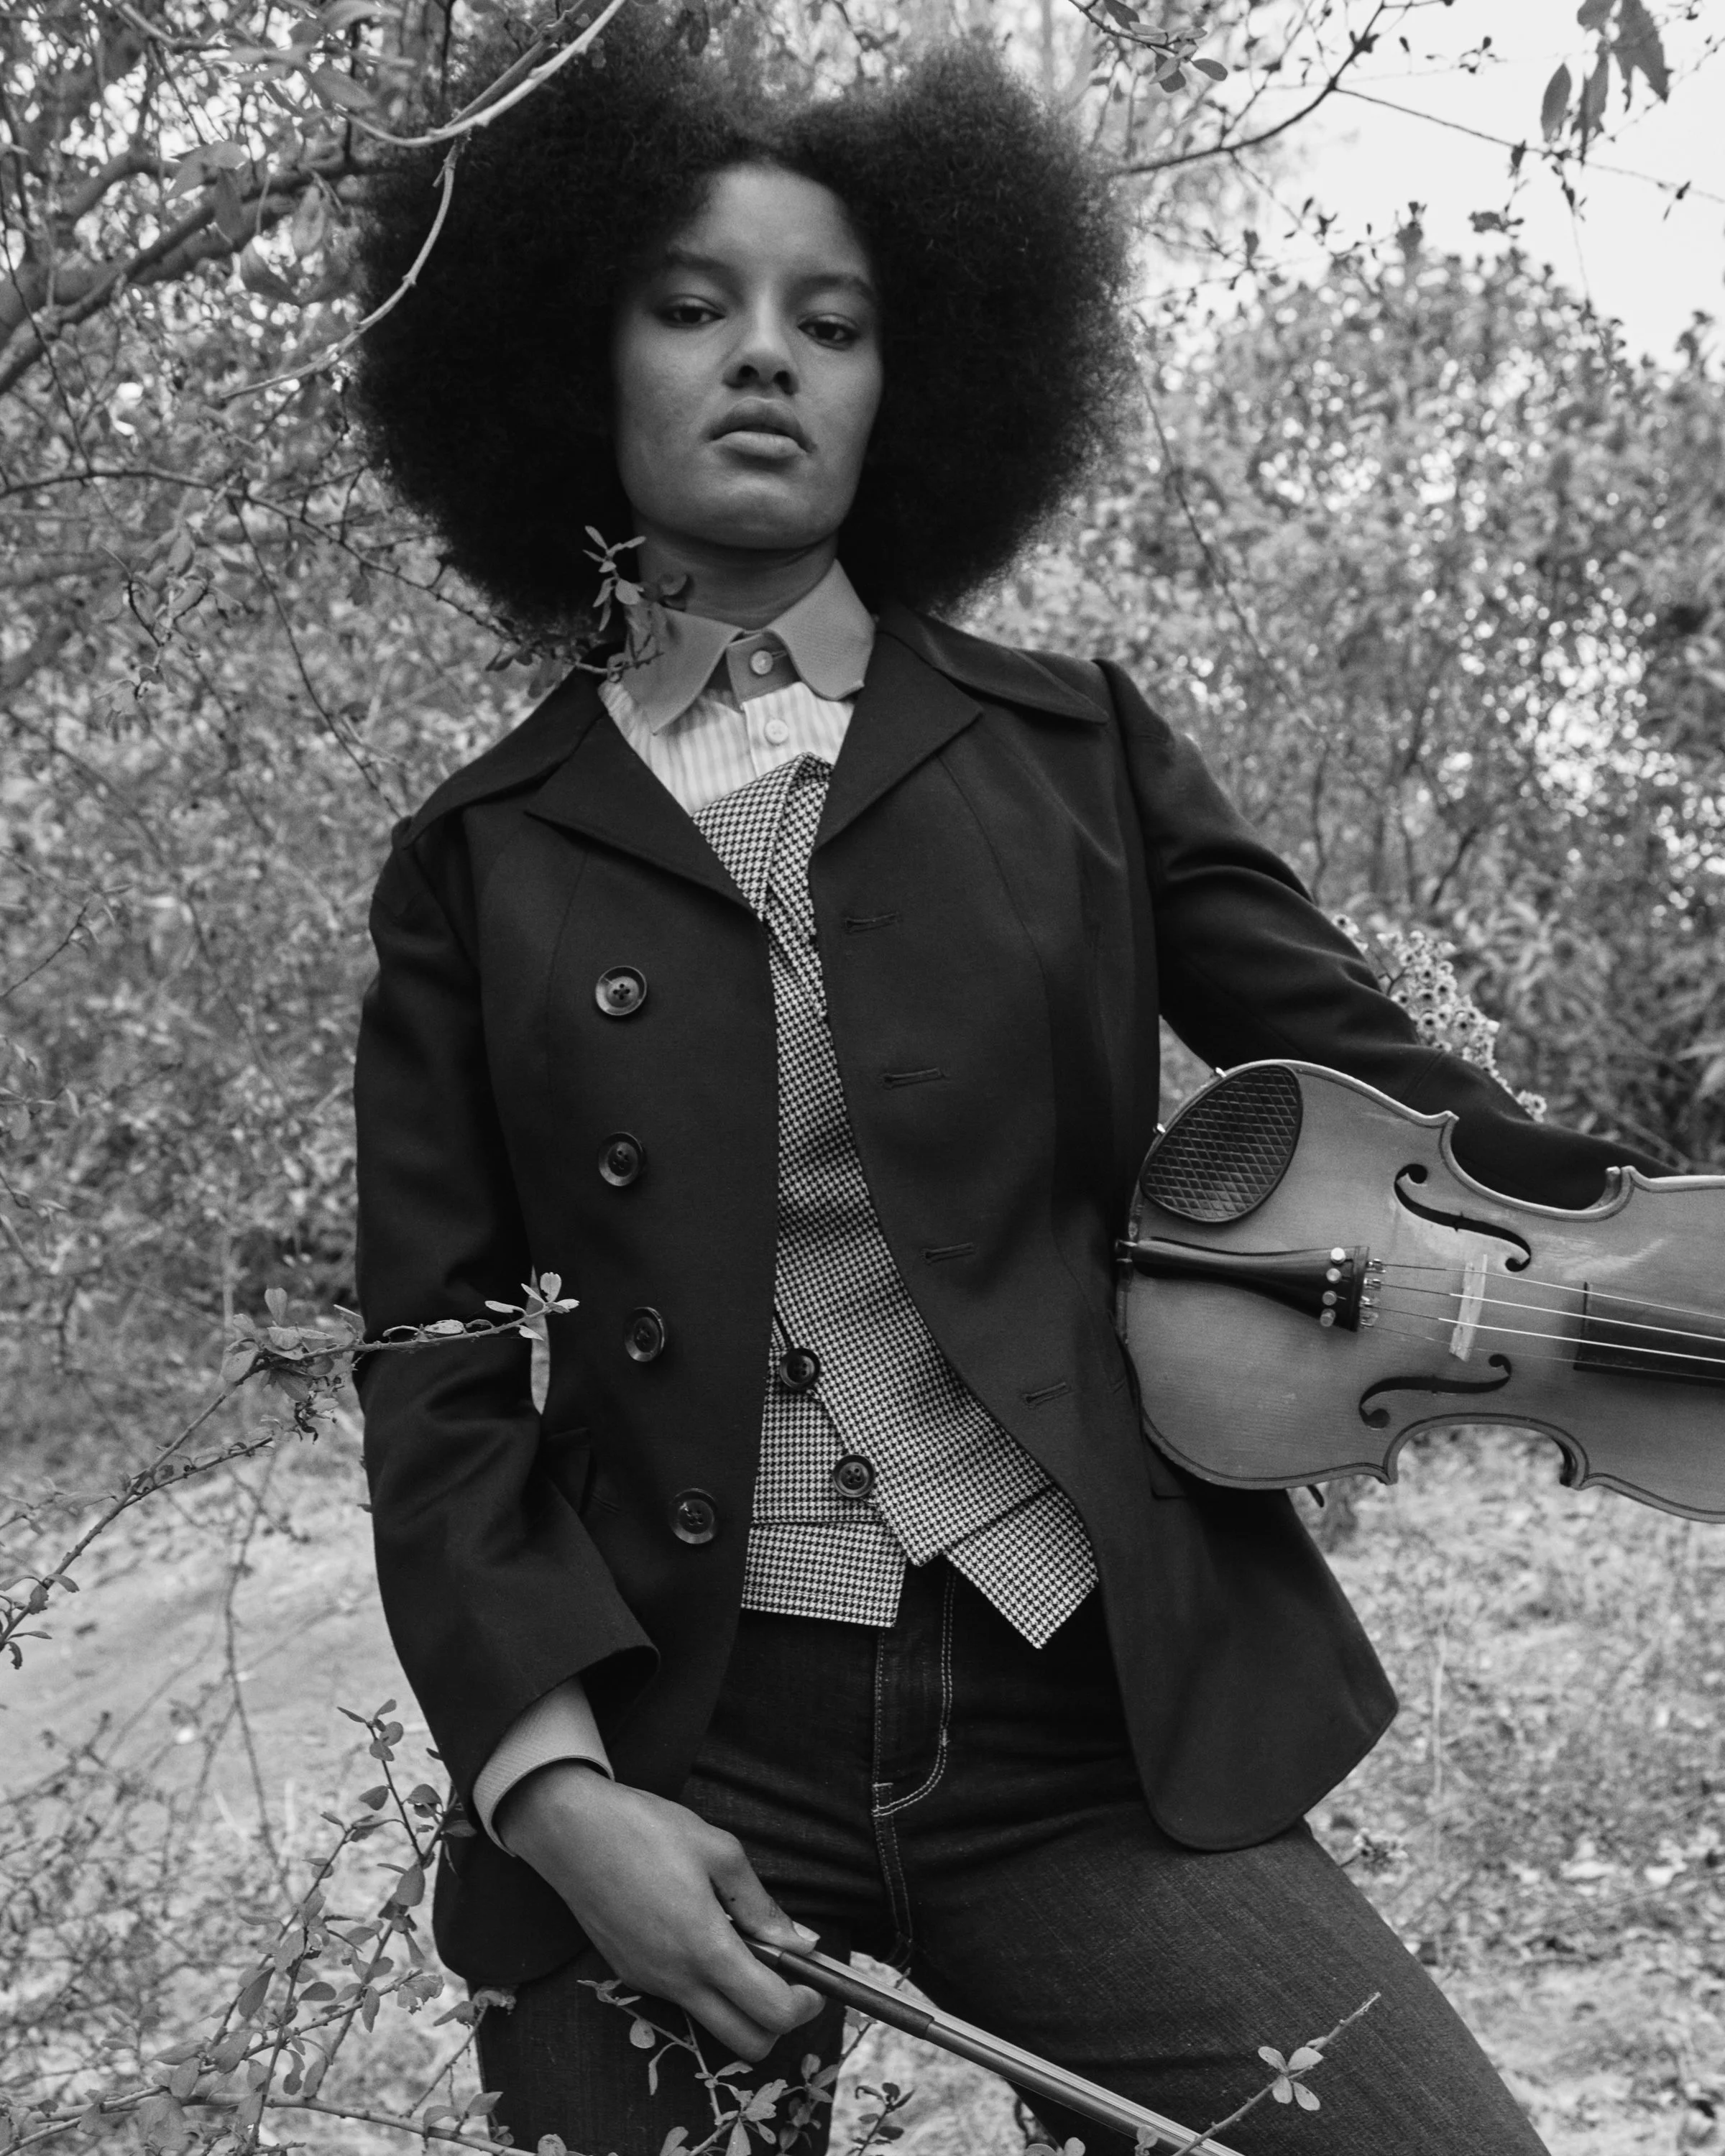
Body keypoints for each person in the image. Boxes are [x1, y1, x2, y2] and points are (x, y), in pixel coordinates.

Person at [349, 16, 1661, 2152]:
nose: (763, 354)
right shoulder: (475, 857)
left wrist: (1644, 1243)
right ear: (572, 367)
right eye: (693, 305)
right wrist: (556, 1793)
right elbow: (434, 1358)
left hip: (1080, 1709)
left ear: (916, 379)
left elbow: (1377, 1084)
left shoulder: (1073, 751)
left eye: (831, 319)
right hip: (677, 1721)